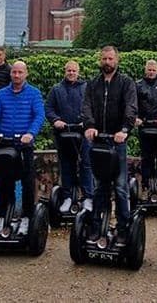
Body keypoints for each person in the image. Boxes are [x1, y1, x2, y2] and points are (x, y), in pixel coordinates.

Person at [81, 45, 137, 243]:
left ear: (116, 60)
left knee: (120, 187)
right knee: (99, 187)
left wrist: (124, 129)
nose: (107, 62)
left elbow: (131, 107)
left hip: (117, 142)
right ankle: (97, 227)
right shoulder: (93, 83)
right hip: (98, 142)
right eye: (104, 59)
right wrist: (89, 126)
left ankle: (122, 228)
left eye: (110, 59)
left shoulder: (126, 83)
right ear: (100, 60)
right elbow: (86, 106)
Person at [0, 60, 45, 236]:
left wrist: (31, 133)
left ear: (26, 74)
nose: (17, 75)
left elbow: (39, 115)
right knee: (4, 182)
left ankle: (27, 218)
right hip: (4, 145)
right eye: (14, 72)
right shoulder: (1, 94)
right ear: (11, 74)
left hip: (24, 146)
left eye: (20, 72)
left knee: (27, 182)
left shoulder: (34, 93)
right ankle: (3, 216)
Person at [45, 60, 94, 213]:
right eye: (69, 70)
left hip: (83, 133)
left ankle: (88, 197)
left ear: (78, 72)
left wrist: (87, 121)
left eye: (74, 71)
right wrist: (55, 120)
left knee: (86, 164)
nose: (71, 73)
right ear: (65, 71)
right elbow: (48, 108)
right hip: (63, 133)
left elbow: (94, 108)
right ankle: (67, 197)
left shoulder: (86, 88)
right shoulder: (56, 89)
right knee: (66, 165)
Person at [135, 59, 157, 194]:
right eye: (149, 70)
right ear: (145, 70)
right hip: (144, 124)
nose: (151, 72)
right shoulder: (138, 85)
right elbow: (133, 104)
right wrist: (136, 118)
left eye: (154, 70)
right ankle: (145, 185)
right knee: (146, 156)